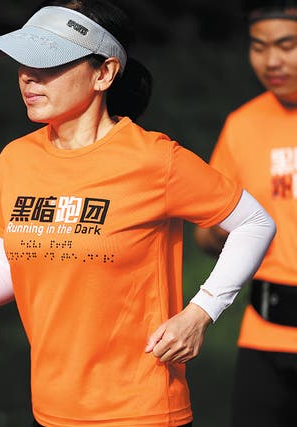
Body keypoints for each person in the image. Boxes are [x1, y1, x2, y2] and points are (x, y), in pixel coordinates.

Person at [0, 1, 277, 426]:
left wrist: (201, 312)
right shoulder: (15, 159)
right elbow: (14, 265)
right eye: (24, 62)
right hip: (50, 410)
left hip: (141, 411)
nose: (29, 76)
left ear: (104, 73)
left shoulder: (154, 159)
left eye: (49, 63)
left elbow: (254, 222)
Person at [193, 1, 297, 425]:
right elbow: (205, 234)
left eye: (287, 46)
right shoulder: (242, 124)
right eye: (258, 47)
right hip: (264, 332)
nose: (272, 60)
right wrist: (229, 230)